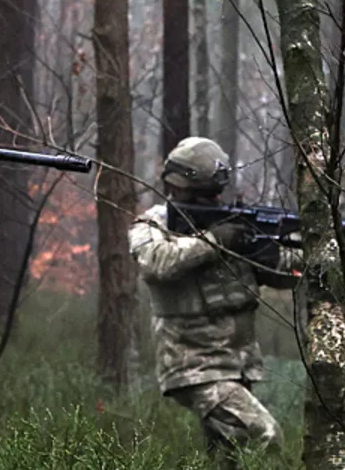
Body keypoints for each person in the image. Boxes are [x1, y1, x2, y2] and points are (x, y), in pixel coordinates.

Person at [129, 137, 301, 465]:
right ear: (176, 188)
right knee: (266, 435)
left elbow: (283, 275)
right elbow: (156, 262)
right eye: (203, 196)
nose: (214, 202)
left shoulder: (234, 224)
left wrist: (271, 253)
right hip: (195, 366)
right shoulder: (154, 224)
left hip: (238, 364)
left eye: (215, 195)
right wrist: (215, 241)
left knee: (226, 458)